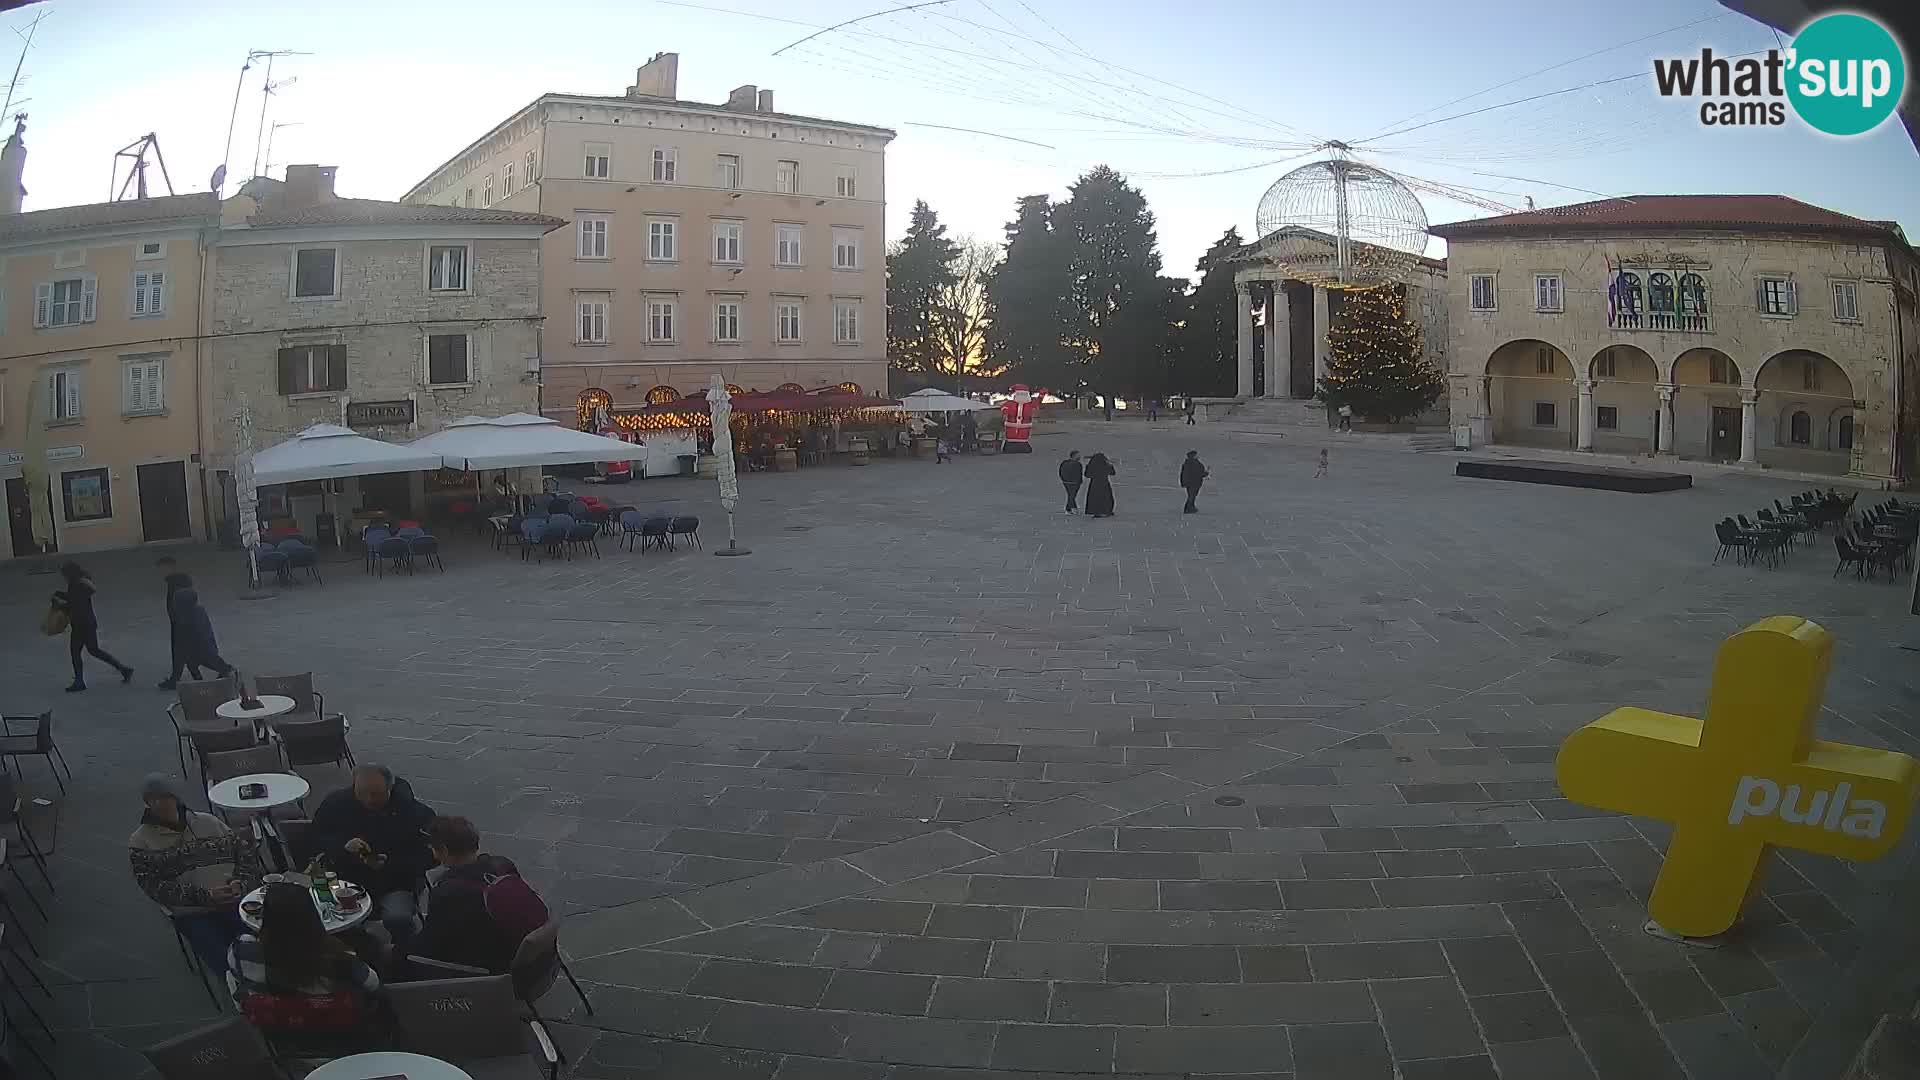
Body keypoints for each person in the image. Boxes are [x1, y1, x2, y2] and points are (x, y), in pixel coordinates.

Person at [129, 774, 262, 978]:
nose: (159, 804)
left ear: (176, 797)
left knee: (266, 947)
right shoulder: (141, 841)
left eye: (164, 797)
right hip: (193, 912)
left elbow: (246, 856)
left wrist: (241, 883)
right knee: (225, 962)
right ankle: (242, 993)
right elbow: (154, 887)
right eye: (152, 799)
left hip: (235, 900)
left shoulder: (209, 822)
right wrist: (204, 896)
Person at [312, 764, 436, 946]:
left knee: (398, 919)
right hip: (347, 879)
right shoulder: (336, 804)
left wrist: (391, 864)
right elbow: (316, 836)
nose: (369, 800)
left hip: (396, 882)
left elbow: (431, 856)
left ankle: (405, 951)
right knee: (334, 920)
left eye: (376, 794)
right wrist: (343, 846)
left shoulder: (416, 813)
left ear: (390, 788)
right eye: (362, 793)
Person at [412, 816, 549, 975]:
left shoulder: (447, 891)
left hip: (488, 967)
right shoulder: (502, 865)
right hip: (519, 954)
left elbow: (431, 944)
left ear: (444, 850)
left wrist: (398, 951)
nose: (434, 855)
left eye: (433, 849)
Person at [226, 882, 381, 1013]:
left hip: (279, 1035)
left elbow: (241, 990)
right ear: (312, 916)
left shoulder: (241, 951)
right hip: (339, 1031)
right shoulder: (341, 960)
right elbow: (373, 985)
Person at [51, 561, 132, 692]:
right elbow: (76, 599)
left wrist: (59, 605)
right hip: (89, 622)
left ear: (69, 574)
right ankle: (123, 669)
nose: (63, 577)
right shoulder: (83, 582)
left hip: (80, 624)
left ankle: (79, 681)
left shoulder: (75, 584)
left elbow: (75, 604)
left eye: (64, 575)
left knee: (76, 652)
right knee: (94, 650)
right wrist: (60, 594)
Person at [168, 586, 234, 683]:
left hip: (199, 648)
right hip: (205, 645)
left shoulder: (184, 618)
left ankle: (223, 672)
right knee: (207, 661)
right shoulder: (198, 610)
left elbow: (184, 638)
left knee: (201, 662)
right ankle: (224, 671)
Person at [157, 566, 199, 690]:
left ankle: (225, 669)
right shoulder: (180, 592)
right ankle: (180, 678)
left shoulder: (177, 593)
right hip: (179, 626)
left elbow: (173, 609)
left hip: (180, 626)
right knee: (183, 655)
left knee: (186, 654)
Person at [1084, 452, 1117, 518]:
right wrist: (1110, 465)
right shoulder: (1105, 465)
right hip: (1104, 483)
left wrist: (1088, 467)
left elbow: (1087, 475)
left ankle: (1096, 511)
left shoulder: (1091, 465)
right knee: (1106, 498)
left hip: (1094, 484)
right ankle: (1107, 511)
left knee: (1095, 498)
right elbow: (1113, 473)